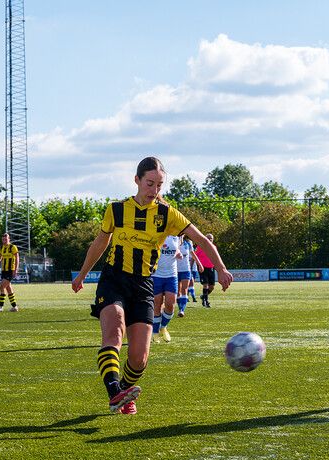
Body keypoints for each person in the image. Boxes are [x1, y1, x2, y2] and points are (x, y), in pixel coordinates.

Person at [72, 157, 233, 415]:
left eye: (159, 185)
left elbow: (202, 239)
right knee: (114, 333)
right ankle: (115, 392)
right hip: (114, 279)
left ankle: (124, 390)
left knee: (139, 358)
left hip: (144, 284)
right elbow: (99, 243)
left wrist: (222, 268)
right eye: (149, 183)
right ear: (136, 180)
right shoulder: (116, 209)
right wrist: (82, 275)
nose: (154, 190)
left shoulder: (168, 214)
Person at [151, 235, 182, 343]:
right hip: (156, 275)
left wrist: (178, 252)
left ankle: (163, 327)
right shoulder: (156, 232)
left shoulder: (177, 236)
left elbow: (177, 247)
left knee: (170, 305)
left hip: (171, 275)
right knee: (157, 304)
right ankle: (155, 332)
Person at [0, 233, 20, 312]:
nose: (4, 240)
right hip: (4, 271)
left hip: (11, 270)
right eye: (3, 239)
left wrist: (16, 270)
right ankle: (14, 307)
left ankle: (1, 306)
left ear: (9, 239)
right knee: (8, 288)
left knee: (1, 287)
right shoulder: (1, 247)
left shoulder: (13, 247)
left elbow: (17, 259)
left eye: (6, 239)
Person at [176, 236, 203, 317]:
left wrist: (199, 264)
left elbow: (193, 254)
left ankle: (182, 310)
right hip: (175, 271)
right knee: (178, 291)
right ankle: (180, 307)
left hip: (186, 270)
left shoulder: (188, 244)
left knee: (184, 289)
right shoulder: (173, 242)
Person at [195, 234, 217, 308]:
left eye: (211, 238)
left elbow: (216, 258)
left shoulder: (214, 247)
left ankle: (203, 296)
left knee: (211, 287)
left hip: (211, 268)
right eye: (208, 238)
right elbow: (194, 256)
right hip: (203, 268)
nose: (210, 239)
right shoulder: (201, 246)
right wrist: (195, 265)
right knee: (205, 285)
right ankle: (205, 301)